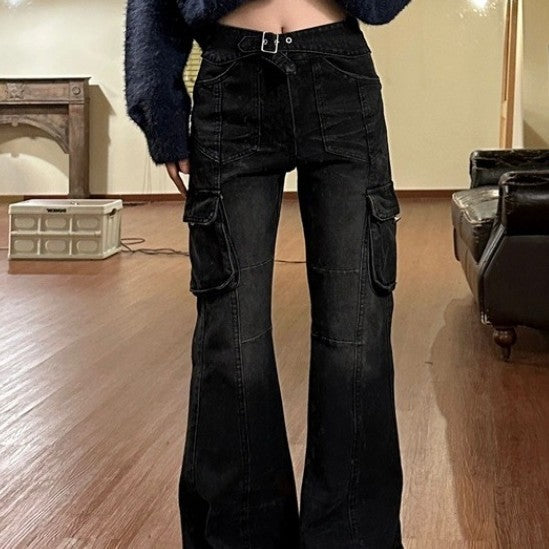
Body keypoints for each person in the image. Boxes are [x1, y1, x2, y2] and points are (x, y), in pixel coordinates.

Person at [124, 0, 413, 547]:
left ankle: (352, 537)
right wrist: (160, 109)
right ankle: (241, 536)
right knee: (231, 341)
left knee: (356, 336)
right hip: (231, 81)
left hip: (339, 74)